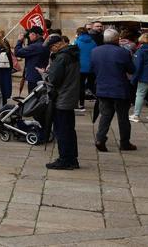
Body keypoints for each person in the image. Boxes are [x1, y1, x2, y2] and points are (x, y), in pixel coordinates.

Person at [90, 28, 136, 152]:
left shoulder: (95, 51)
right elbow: (131, 69)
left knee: (105, 115)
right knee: (123, 117)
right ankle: (124, 143)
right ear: (116, 39)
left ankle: (100, 139)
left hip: (102, 87)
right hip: (119, 88)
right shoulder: (123, 52)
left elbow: (92, 68)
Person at [44, 33, 81, 170]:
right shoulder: (72, 53)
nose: (51, 51)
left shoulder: (62, 57)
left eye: (51, 48)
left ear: (56, 45)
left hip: (62, 97)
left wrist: (46, 74)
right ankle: (72, 158)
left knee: (62, 130)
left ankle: (65, 159)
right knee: (69, 129)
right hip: (70, 95)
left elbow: (54, 79)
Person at [15, 27, 48, 95]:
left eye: (30, 34)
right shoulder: (44, 44)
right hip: (41, 75)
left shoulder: (35, 46)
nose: (29, 35)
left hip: (34, 77)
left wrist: (19, 41)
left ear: (35, 35)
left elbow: (18, 52)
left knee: (33, 97)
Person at [75, 25, 97, 111]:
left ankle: (81, 104)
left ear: (78, 33)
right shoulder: (93, 42)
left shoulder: (77, 41)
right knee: (92, 85)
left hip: (80, 67)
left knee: (80, 86)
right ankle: (100, 102)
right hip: (91, 66)